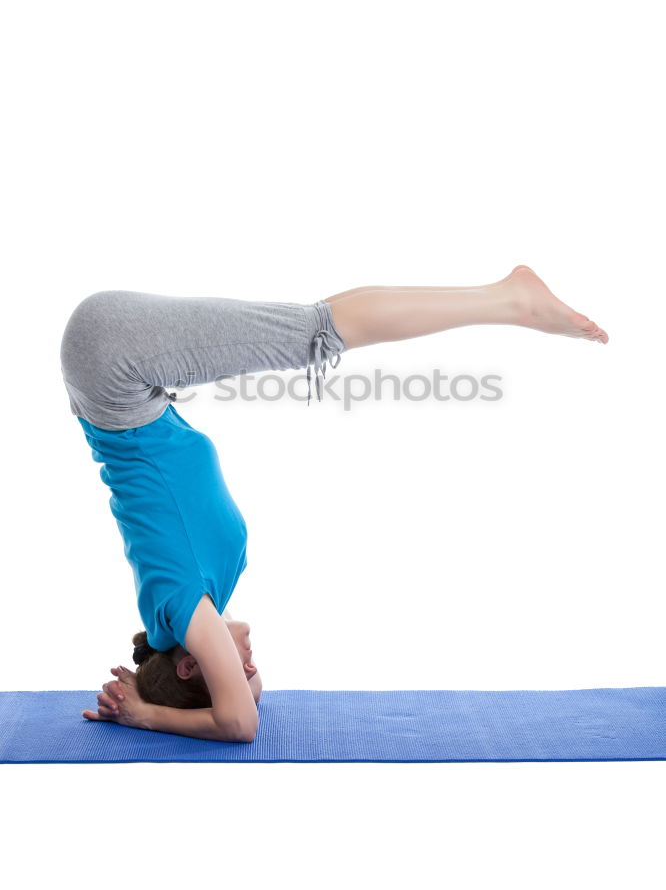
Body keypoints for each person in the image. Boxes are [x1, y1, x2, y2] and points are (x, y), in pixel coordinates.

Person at [62, 265, 608, 742]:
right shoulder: (195, 601)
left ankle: (513, 299)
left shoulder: (184, 607)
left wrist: (147, 715)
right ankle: (509, 298)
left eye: (238, 668)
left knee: (314, 332)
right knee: (311, 330)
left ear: (189, 666)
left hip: (114, 365)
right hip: (123, 387)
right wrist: (181, 691)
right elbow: (241, 700)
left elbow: (238, 723)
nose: (251, 666)